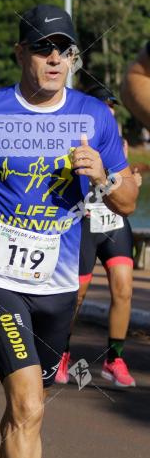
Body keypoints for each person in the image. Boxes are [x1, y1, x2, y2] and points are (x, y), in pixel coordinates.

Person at [0, 5, 137, 458]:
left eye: (65, 49)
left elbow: (126, 201)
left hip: (57, 283)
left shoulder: (94, 115)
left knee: (29, 409)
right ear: (21, 52)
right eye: (44, 47)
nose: (55, 58)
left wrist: (103, 176)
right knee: (28, 403)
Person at [56, 89, 141, 387]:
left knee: (124, 290)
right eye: (104, 109)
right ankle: (61, 354)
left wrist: (132, 182)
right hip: (86, 222)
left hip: (114, 222)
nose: (110, 115)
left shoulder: (120, 142)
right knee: (76, 296)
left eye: (112, 111)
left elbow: (127, 185)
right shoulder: (76, 141)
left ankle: (114, 359)